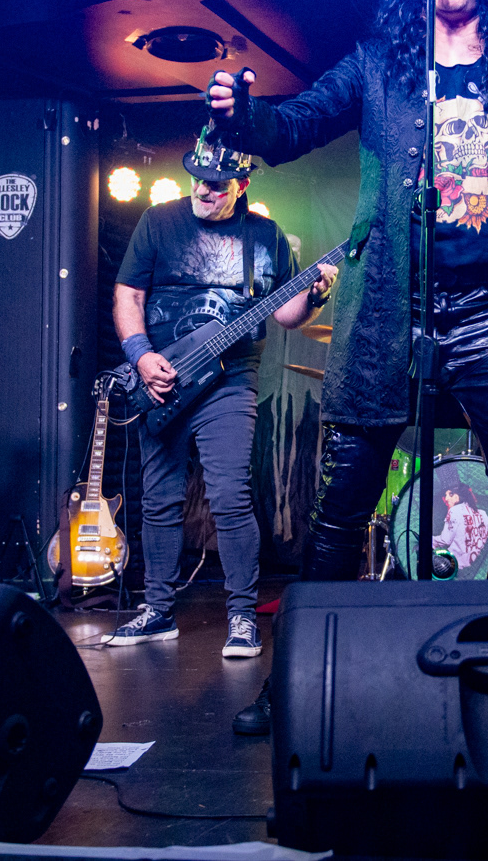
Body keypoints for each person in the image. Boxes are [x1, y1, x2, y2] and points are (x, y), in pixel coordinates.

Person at [205, 0, 488, 587]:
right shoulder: (380, 65)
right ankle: (306, 656)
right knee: (342, 503)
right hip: (389, 307)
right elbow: (296, 124)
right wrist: (242, 119)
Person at [111, 130, 336, 657]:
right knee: (159, 499)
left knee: (230, 496)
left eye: (216, 185)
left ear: (242, 185)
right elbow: (128, 294)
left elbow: (287, 313)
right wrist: (142, 357)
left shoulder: (265, 235)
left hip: (230, 380)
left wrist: (315, 296)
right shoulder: (158, 221)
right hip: (163, 377)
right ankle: (157, 611)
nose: (203, 191)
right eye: (197, 180)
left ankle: (241, 617)